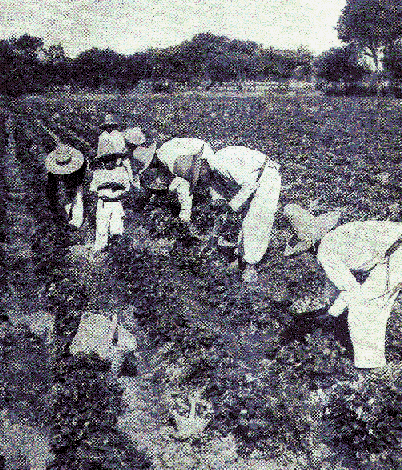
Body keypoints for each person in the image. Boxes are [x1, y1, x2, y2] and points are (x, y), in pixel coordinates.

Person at [284, 203, 402, 369]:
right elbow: (343, 282)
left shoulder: (325, 251)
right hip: (395, 247)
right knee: (377, 301)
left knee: (364, 308)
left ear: (310, 245)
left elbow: (351, 289)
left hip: (396, 255)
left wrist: (331, 314)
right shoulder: (339, 234)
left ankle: (371, 367)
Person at [206, 146, 281, 283]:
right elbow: (218, 201)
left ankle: (251, 267)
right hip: (250, 180)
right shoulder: (212, 173)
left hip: (266, 177)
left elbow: (249, 185)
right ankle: (241, 259)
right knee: (245, 219)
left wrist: (232, 206)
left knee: (256, 220)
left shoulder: (221, 164)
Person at [141, 137, 215, 222]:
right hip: (175, 155)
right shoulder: (170, 161)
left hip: (184, 152)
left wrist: (185, 213)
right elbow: (184, 189)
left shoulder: (207, 156)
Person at [90, 135, 132, 252]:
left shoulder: (121, 171)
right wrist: (103, 187)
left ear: (116, 159)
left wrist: (119, 188)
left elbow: (127, 188)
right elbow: (93, 189)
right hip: (103, 203)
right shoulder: (98, 173)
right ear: (103, 162)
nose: (110, 163)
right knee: (102, 228)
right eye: (106, 160)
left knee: (116, 227)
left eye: (112, 159)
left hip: (116, 202)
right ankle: (100, 249)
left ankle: (116, 250)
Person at [45, 143, 86, 228]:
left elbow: (81, 179)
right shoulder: (54, 170)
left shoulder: (78, 165)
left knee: (78, 197)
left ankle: (76, 221)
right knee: (65, 197)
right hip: (63, 182)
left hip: (76, 180)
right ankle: (65, 216)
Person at [97, 114, 135, 186]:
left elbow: (122, 148)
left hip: (119, 157)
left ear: (113, 126)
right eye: (107, 126)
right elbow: (100, 151)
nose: (109, 128)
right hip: (106, 159)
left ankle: (131, 183)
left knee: (127, 168)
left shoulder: (118, 135)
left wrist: (119, 157)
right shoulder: (102, 136)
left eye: (110, 126)